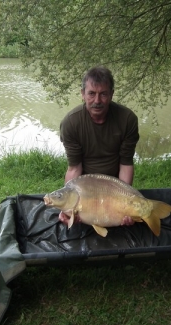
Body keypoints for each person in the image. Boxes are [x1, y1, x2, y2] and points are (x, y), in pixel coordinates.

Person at [59, 66, 140, 226]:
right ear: (83, 94)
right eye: (91, 94)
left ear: (111, 94)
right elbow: (74, 168)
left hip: (115, 186)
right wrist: (67, 206)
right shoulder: (71, 123)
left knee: (129, 218)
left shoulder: (127, 119)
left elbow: (126, 164)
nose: (97, 101)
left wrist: (126, 200)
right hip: (85, 189)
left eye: (103, 94)